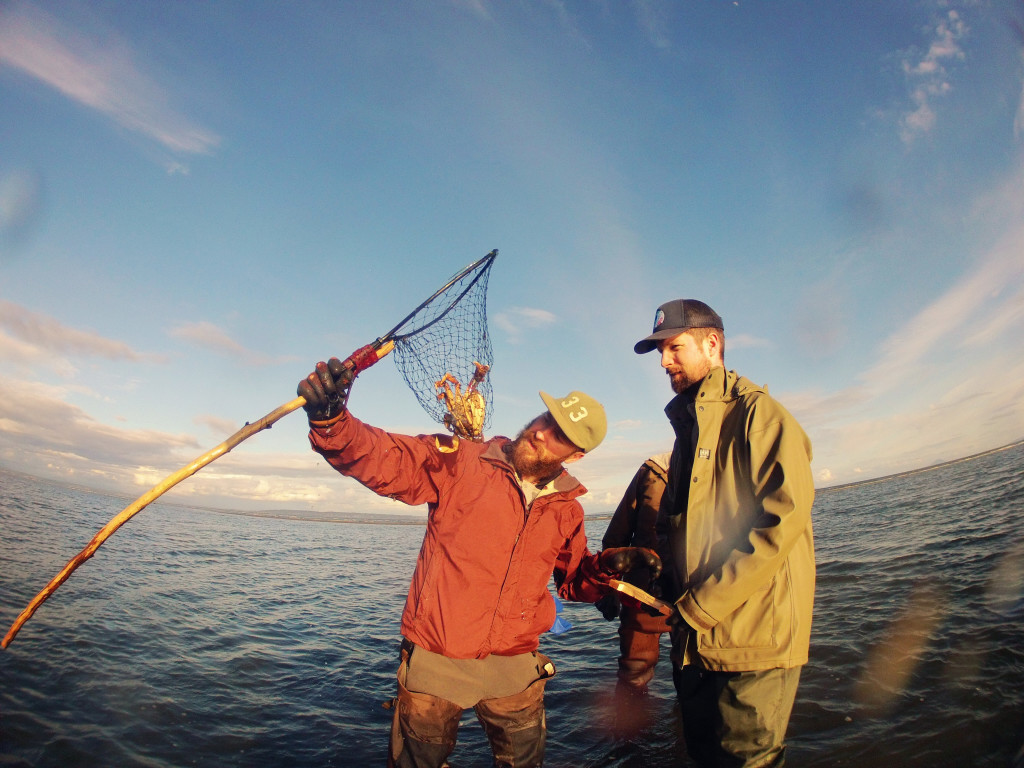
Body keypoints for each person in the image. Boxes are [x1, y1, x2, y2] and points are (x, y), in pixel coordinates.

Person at [298, 359, 662, 768]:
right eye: (546, 417)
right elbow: (388, 459)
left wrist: (611, 565)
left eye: (558, 434)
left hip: (517, 672)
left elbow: (573, 583)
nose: (540, 432)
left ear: (574, 456)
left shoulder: (567, 510)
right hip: (437, 661)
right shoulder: (460, 462)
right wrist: (331, 422)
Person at [633, 299, 816, 768]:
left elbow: (783, 521)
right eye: (660, 351)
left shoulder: (762, 416)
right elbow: (675, 527)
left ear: (711, 343)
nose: (663, 361)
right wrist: (659, 584)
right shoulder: (686, 430)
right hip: (693, 640)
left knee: (747, 759)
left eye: (673, 347)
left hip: (754, 642)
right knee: (702, 756)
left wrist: (699, 606)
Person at [594, 453, 672, 736]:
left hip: (699, 596)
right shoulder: (653, 470)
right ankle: (628, 741)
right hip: (643, 593)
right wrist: (609, 588)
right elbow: (617, 535)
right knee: (633, 674)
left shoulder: (725, 464)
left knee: (697, 676)